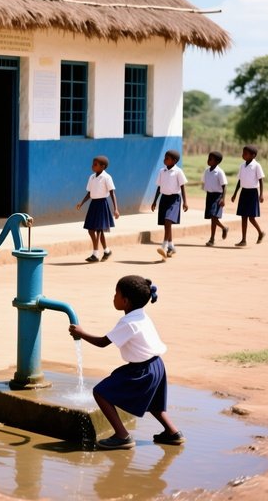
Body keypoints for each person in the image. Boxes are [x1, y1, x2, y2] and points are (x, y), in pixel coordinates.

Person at [68, 275, 184, 450]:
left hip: (142, 369)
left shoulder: (128, 322)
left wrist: (81, 333)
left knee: (101, 392)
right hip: (157, 365)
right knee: (155, 403)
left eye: (116, 294)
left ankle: (122, 436)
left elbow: (102, 343)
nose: (113, 297)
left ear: (125, 301)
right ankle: (172, 433)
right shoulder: (141, 316)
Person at [75, 155, 120, 262]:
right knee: (91, 230)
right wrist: (81, 203)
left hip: (102, 205)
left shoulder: (107, 177)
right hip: (93, 204)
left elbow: (112, 193)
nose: (92, 166)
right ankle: (107, 251)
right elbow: (89, 193)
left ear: (103, 166)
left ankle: (95, 254)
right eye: (93, 164)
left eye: (95, 164)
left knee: (98, 230)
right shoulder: (92, 177)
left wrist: (116, 209)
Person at [150, 150, 188, 260]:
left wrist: (185, 202)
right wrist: (154, 201)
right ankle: (171, 247)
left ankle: (164, 246)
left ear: (174, 161)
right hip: (164, 198)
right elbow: (159, 187)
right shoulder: (162, 171)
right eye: (165, 157)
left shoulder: (178, 172)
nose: (164, 159)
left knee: (168, 220)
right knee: (167, 224)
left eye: (167, 158)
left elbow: (182, 186)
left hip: (174, 199)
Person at [230, 144, 266, 247]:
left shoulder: (256, 166)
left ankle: (260, 232)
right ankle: (243, 240)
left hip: (252, 193)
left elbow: (261, 180)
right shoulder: (242, 166)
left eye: (245, 153)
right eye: (243, 153)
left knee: (251, 217)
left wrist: (261, 194)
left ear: (253, 155)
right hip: (244, 192)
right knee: (243, 217)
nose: (243, 155)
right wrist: (235, 193)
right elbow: (240, 180)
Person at [202, 151, 229, 246]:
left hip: (217, 196)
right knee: (211, 217)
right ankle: (224, 228)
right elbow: (204, 182)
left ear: (217, 161)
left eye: (211, 159)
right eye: (208, 158)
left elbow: (224, 186)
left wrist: (223, 198)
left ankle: (212, 239)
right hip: (209, 196)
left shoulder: (220, 172)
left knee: (214, 217)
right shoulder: (206, 171)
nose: (208, 160)